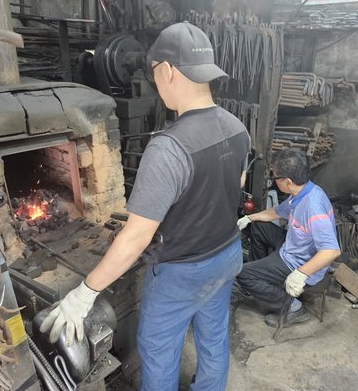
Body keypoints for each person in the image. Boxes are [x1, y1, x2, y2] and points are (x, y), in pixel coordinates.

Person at [40, 21, 250, 391]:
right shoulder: (237, 127)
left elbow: (136, 237)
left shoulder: (169, 147)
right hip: (228, 253)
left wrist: (85, 293)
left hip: (181, 272)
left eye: (155, 74)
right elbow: (237, 185)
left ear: (167, 71)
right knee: (213, 337)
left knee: (157, 349)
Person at [236, 149, 340, 328]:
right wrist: (249, 218)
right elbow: (276, 212)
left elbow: (331, 251)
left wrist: (300, 274)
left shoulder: (313, 207)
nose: (274, 181)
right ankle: (263, 277)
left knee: (241, 274)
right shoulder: (302, 193)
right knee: (259, 227)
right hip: (293, 245)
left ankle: (293, 307)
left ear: (288, 181)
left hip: (299, 262)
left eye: (275, 177)